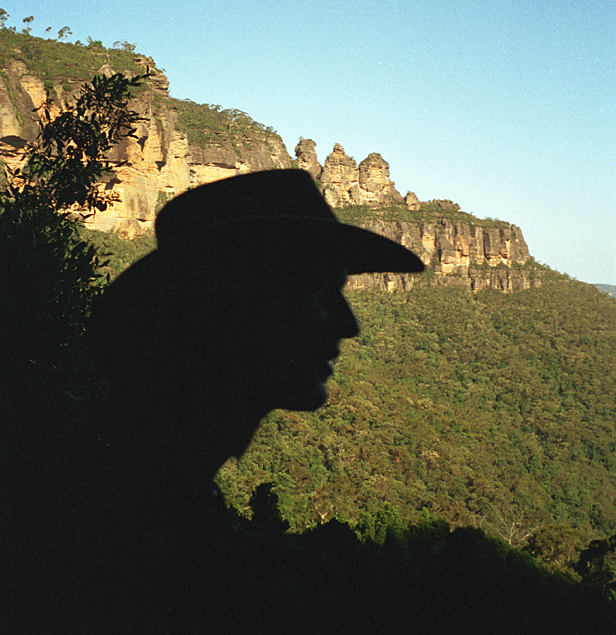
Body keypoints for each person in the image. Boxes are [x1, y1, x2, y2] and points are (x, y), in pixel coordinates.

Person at [18, 169, 424, 633]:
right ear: (236, 303)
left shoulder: (131, 465)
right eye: (319, 291)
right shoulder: (134, 520)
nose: (348, 324)